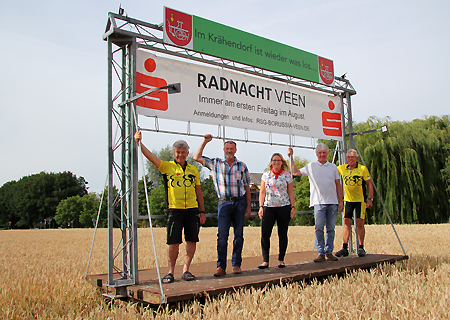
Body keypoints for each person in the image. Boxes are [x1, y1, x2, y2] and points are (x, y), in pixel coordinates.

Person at [134, 131, 206, 283]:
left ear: (187, 153)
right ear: (173, 153)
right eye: (177, 152)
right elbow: (151, 157)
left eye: (183, 152)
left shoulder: (193, 170)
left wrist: (202, 211)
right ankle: (170, 272)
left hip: (192, 210)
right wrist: (139, 143)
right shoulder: (166, 166)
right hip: (174, 210)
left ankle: (186, 270)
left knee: (191, 240)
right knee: (173, 243)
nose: (180, 155)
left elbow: (198, 191)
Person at [193, 134, 251, 277]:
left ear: (235, 150)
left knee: (239, 235)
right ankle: (221, 267)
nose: (229, 150)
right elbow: (196, 157)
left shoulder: (242, 166)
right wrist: (205, 141)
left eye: (231, 148)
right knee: (222, 236)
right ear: (223, 149)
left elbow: (247, 187)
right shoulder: (215, 163)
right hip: (224, 202)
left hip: (239, 202)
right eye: (227, 148)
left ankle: (236, 265)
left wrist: (249, 206)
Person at [288, 143, 344, 262]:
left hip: (333, 202)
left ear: (327, 153)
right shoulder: (311, 166)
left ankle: (329, 252)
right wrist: (291, 157)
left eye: (324, 153)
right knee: (319, 227)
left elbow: (338, 185)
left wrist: (341, 201)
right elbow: (295, 172)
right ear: (316, 154)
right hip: (318, 202)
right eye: (320, 153)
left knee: (331, 229)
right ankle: (320, 252)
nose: (322, 155)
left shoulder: (333, 167)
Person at [258, 153, 296, 269]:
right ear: (271, 162)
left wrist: (293, 207)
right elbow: (262, 191)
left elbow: (290, 192)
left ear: (282, 162)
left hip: (284, 206)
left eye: (278, 160)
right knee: (265, 234)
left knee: (282, 234)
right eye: (274, 160)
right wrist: (260, 206)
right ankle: (265, 260)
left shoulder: (287, 176)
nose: (276, 162)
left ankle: (281, 259)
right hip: (268, 207)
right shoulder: (265, 175)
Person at [335, 149, 374, 257]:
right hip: (348, 200)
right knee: (346, 222)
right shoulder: (342, 168)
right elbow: (331, 171)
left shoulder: (362, 169)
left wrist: (370, 199)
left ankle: (361, 247)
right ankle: (344, 247)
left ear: (357, 158)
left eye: (352, 157)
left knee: (359, 223)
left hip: (360, 200)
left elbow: (369, 184)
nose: (350, 159)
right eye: (348, 157)